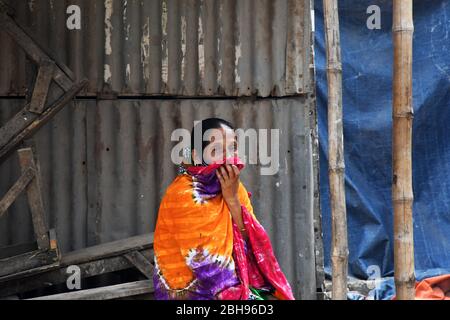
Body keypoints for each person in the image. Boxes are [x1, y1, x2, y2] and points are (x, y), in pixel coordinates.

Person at [153, 118, 294, 300]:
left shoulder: (234, 187)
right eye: (216, 150)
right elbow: (206, 265)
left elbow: (251, 243)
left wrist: (232, 198)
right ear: (197, 157)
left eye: (232, 148)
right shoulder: (183, 195)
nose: (228, 158)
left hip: (235, 283)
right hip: (192, 293)